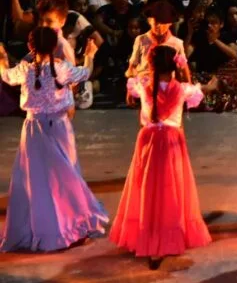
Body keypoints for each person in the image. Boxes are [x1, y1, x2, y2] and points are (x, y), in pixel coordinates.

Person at [0, 28, 106, 252]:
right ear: (54, 47)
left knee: (37, 181)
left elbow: (6, 76)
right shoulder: (61, 68)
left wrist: (1, 59)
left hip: (32, 130)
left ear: (30, 47)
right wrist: (90, 54)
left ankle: (39, 227)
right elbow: (86, 72)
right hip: (59, 127)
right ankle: (69, 224)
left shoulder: (25, 69)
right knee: (65, 177)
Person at [110, 46, 211, 269]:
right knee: (170, 189)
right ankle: (167, 238)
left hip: (148, 141)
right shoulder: (182, 89)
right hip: (172, 142)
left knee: (147, 188)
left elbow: (133, 82)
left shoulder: (143, 86)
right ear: (175, 66)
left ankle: (148, 236)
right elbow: (198, 92)